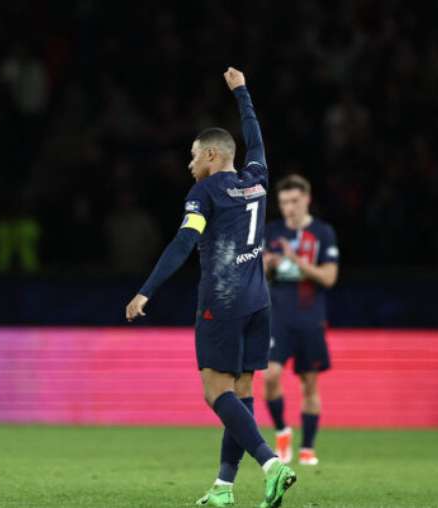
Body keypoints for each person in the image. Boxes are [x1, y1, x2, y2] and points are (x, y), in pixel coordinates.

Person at [126, 67, 296, 508]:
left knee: (213, 391)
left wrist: (147, 290)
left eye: (193, 155)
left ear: (213, 157)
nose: (189, 163)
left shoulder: (204, 194)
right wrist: (242, 92)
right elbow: (255, 139)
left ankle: (271, 464)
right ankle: (224, 487)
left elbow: (185, 241)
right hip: (260, 301)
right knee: (241, 393)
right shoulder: (256, 178)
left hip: (223, 303)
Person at [262, 175, 339, 466]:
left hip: (310, 318)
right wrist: (267, 267)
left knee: (309, 384)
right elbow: (259, 275)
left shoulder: (323, 233)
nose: (288, 208)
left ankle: (307, 448)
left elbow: (329, 278)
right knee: (270, 375)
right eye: (283, 202)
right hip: (277, 317)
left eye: (294, 201)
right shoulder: (271, 231)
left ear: (306, 199)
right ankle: (282, 430)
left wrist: (296, 260)